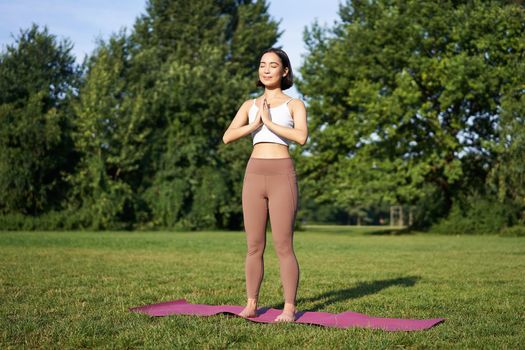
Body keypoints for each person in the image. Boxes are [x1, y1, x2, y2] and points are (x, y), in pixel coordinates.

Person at [222, 48, 308, 322]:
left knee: (283, 245)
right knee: (254, 245)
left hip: (282, 174)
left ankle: (289, 308)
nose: (266, 69)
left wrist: (270, 122)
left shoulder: (295, 104)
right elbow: (227, 137)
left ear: (284, 71)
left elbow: (301, 137)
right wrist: (255, 124)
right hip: (254, 174)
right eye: (262, 65)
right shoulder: (250, 105)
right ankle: (251, 304)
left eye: (273, 65)